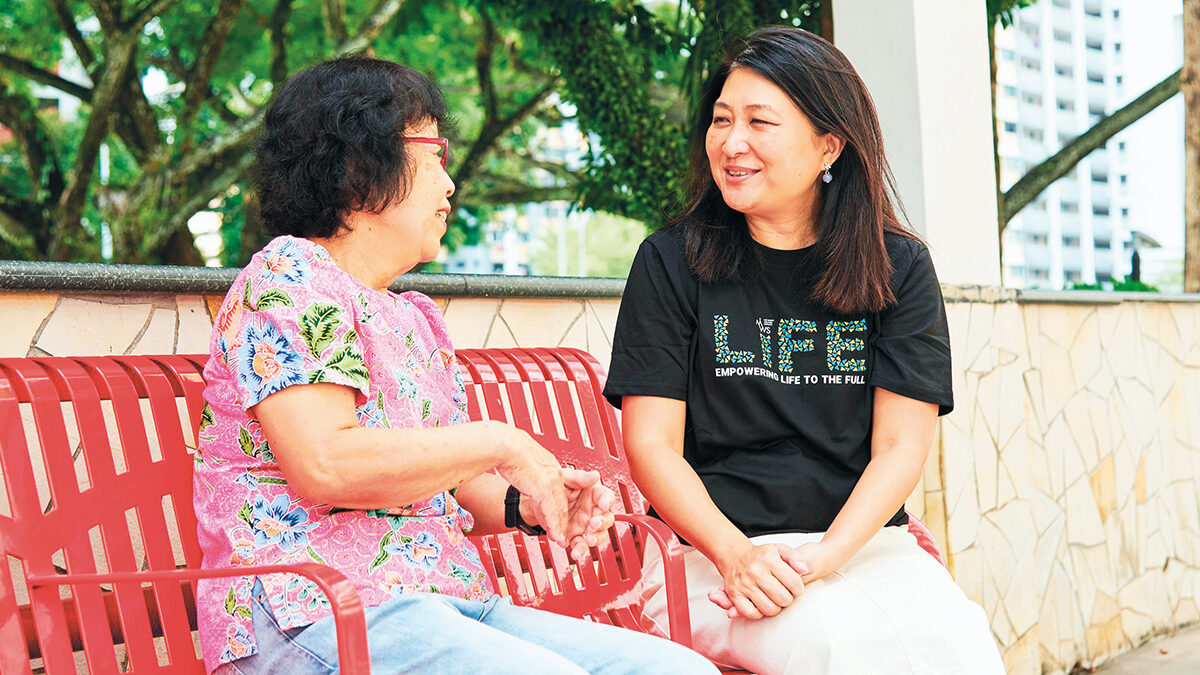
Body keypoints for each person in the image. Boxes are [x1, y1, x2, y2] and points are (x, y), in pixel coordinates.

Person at [193, 56, 717, 675]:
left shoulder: (413, 317)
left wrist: (530, 503)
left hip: (440, 601)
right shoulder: (288, 281)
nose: (449, 184)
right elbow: (325, 465)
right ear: (360, 165)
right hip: (312, 609)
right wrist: (499, 439)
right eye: (434, 154)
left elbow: (447, 481)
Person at [603, 26, 1005, 675]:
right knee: (833, 644)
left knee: (962, 646)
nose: (732, 142)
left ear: (829, 144)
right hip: (713, 555)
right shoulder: (670, 262)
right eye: (721, 119)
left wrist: (825, 557)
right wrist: (738, 554)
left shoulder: (897, 268)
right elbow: (650, 445)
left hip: (865, 548)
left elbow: (901, 447)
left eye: (760, 122)